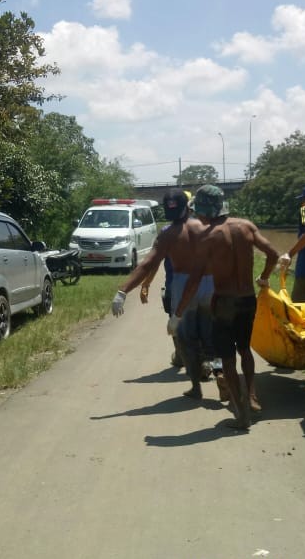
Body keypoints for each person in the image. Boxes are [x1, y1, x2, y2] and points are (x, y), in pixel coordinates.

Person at [176, 184, 279, 430]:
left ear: (203, 210)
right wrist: (263, 277)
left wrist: (178, 312)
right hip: (247, 300)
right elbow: (274, 254)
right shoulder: (246, 226)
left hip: (224, 302)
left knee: (228, 357)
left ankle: (241, 414)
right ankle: (252, 396)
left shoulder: (207, 236)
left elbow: (195, 278)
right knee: (245, 349)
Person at [111, 189, 214, 400]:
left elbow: (148, 263)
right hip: (209, 283)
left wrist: (123, 291)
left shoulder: (168, 234)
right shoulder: (206, 228)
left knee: (184, 337)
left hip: (182, 283)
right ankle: (219, 371)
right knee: (211, 332)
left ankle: (195, 386)